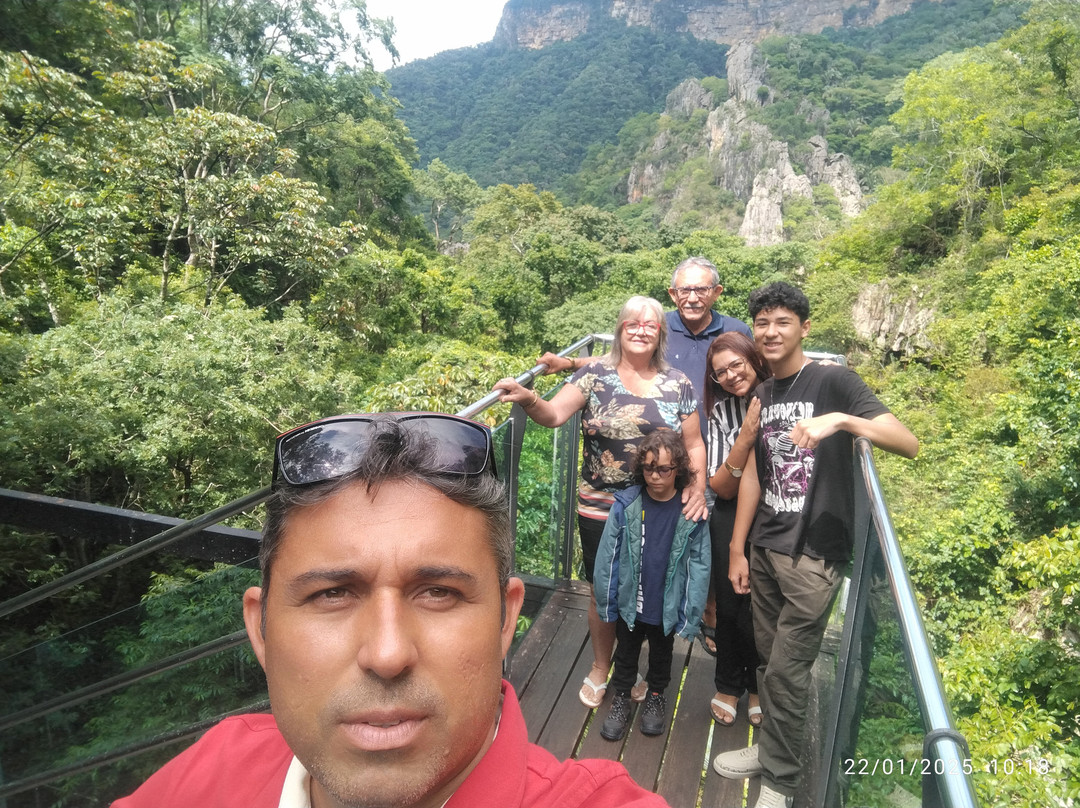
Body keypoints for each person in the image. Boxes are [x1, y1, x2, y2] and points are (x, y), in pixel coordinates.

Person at [112, 413, 671, 808]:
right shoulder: (211, 770)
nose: (386, 654)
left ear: (506, 620)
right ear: (260, 629)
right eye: (331, 594)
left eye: (439, 592)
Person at [711, 283, 919, 808]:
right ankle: (771, 750)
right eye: (762, 322)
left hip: (815, 553)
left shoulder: (834, 382)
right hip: (765, 546)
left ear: (804, 327)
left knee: (788, 671)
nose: (770, 331)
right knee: (768, 661)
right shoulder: (763, 393)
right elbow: (755, 473)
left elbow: (908, 442)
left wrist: (843, 421)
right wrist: (738, 547)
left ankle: (780, 781)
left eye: (782, 321)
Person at [493, 296, 708, 711]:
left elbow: (694, 444)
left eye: (650, 324)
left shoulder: (678, 382)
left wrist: (696, 488)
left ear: (661, 333)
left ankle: (640, 669)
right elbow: (554, 415)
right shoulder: (594, 374)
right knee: (603, 589)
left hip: (657, 506)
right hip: (600, 504)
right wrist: (527, 397)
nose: (641, 330)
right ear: (619, 329)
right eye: (633, 323)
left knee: (651, 585)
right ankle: (600, 665)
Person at [536, 257, 751, 654]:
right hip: (608, 497)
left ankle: (687, 634)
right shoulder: (654, 326)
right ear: (673, 293)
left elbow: (754, 370)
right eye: (684, 289)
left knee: (670, 571)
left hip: (689, 471)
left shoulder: (733, 333)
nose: (692, 296)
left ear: (716, 292)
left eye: (701, 289)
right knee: (608, 584)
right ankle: (613, 665)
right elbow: (619, 361)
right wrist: (568, 365)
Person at [592, 430, 710, 742]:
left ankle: (656, 695)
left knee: (662, 652)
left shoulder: (690, 512)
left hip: (665, 604)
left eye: (664, 469)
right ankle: (621, 697)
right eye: (648, 468)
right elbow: (608, 556)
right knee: (626, 651)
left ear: (678, 469)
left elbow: (699, 566)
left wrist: (691, 614)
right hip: (632, 600)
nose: (655, 476)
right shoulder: (626, 504)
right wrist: (607, 601)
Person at [702, 332, 769, 727]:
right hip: (730, 510)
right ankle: (728, 682)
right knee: (730, 601)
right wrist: (744, 438)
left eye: (736, 365)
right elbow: (721, 486)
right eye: (720, 372)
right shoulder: (721, 413)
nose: (730, 375)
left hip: (775, 508)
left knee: (762, 604)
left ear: (753, 358)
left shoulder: (782, 396)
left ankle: (758, 684)